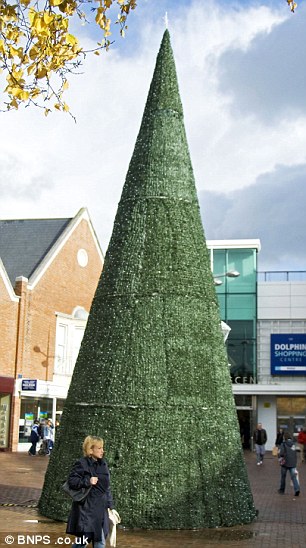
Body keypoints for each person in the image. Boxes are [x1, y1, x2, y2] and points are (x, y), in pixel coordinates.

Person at [66, 435, 115, 548]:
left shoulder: (103, 464)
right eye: (99, 448)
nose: (102, 451)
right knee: (84, 540)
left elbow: (107, 487)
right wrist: (88, 481)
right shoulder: (82, 463)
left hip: (101, 508)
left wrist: (110, 506)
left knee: (100, 540)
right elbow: (72, 481)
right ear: (90, 449)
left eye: (102, 448)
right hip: (87, 509)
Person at [278, 431, 300, 496]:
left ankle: (282, 490)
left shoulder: (283, 444)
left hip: (285, 463)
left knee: (283, 477)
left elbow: (281, 453)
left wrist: (279, 456)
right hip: (292, 463)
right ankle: (297, 489)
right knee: (294, 477)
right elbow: (294, 453)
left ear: (284, 437)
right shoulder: (293, 444)